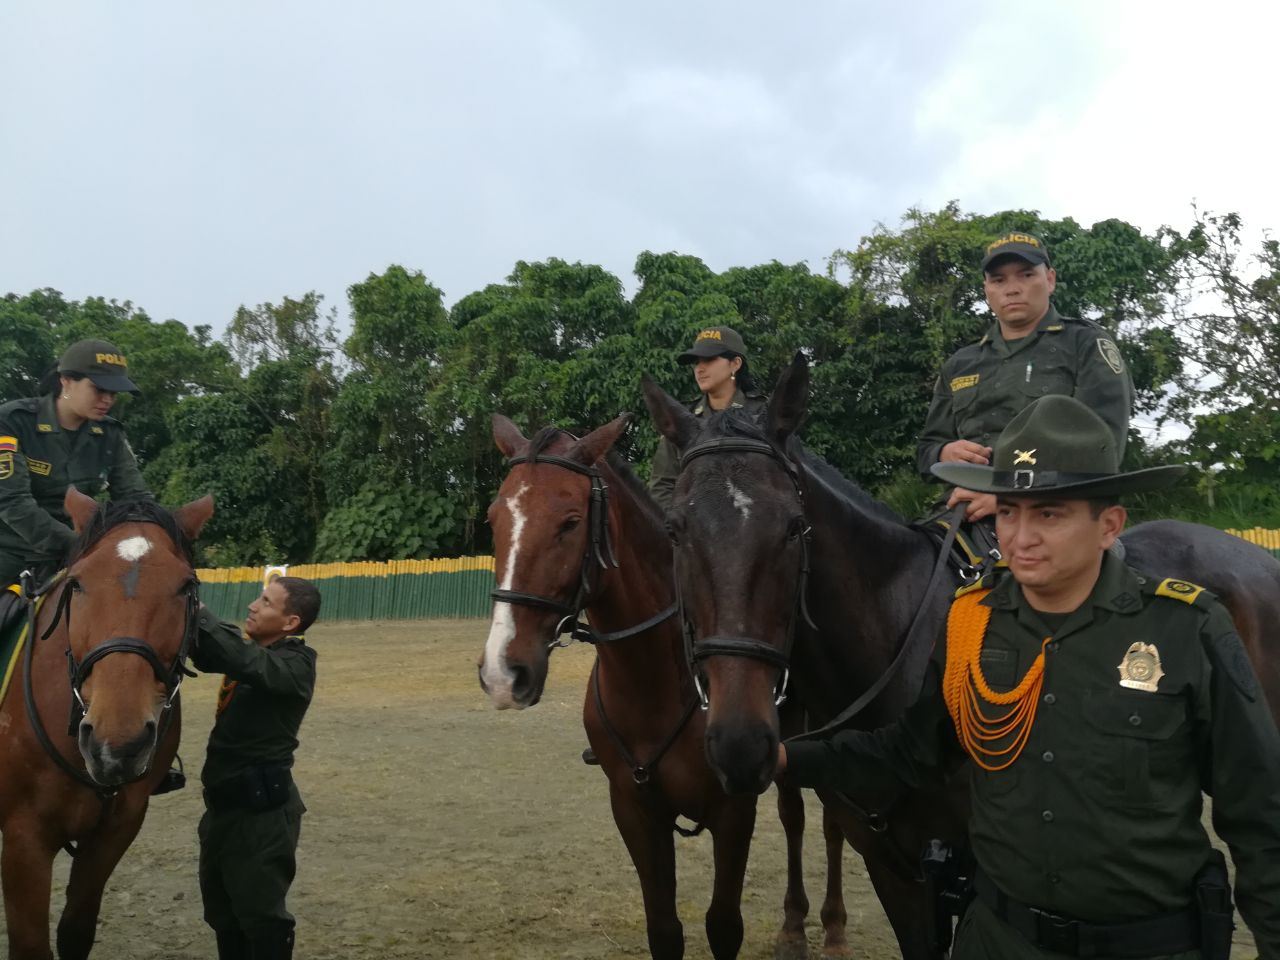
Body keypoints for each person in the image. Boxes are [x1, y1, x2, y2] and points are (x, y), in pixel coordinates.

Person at [780, 395, 1280, 958]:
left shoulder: (1187, 628)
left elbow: (1260, 813)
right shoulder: (973, 623)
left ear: (1108, 525)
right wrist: (785, 759)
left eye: (1049, 513)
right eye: (1009, 511)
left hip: (1145, 945)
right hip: (998, 939)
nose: (1020, 538)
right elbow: (909, 750)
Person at [916, 232, 1134, 523]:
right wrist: (944, 452)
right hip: (961, 511)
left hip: (1057, 510)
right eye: (999, 280)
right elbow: (926, 450)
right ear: (986, 290)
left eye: (1026, 275)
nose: (1012, 289)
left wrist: (1011, 497)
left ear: (1050, 280)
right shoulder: (960, 363)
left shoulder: (1084, 343)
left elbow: (1103, 446)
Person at [193, 576, 320, 960]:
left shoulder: (296, 665)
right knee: (223, 916)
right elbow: (212, 653)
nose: (252, 605)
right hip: (222, 812)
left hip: (261, 818)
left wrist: (200, 614)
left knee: (262, 920)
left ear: (290, 623)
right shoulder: (252, 654)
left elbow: (245, 660)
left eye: (265, 602)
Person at [0, 338, 151, 590]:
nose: (107, 400)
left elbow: (136, 499)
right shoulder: (12, 422)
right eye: (99, 389)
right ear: (66, 381)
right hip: (10, 553)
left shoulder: (110, 434)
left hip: (79, 557)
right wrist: (83, 546)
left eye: (113, 393)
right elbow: (12, 503)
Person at [648, 325, 767, 511]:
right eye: (696, 362)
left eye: (709, 359)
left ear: (735, 363)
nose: (699, 369)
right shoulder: (682, 420)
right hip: (694, 532)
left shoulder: (761, 414)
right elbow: (662, 486)